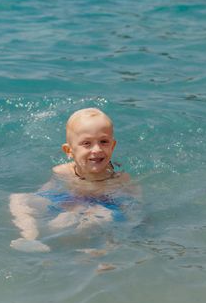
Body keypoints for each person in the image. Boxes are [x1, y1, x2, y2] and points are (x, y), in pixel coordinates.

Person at [9, 108, 140, 253]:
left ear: (113, 145)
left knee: (99, 217)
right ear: (69, 151)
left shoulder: (120, 178)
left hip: (103, 205)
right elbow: (45, 195)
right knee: (19, 199)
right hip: (71, 200)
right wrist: (59, 205)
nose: (96, 149)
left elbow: (134, 206)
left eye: (103, 141)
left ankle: (97, 250)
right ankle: (30, 236)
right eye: (87, 143)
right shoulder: (62, 172)